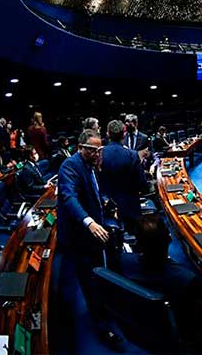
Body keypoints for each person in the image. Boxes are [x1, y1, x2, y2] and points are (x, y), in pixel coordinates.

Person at [56, 129, 123, 349]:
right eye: (92, 150)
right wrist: (89, 221)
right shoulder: (70, 166)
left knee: (100, 273)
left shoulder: (91, 164)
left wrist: (104, 204)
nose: (96, 154)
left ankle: (107, 308)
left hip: (93, 233)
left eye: (99, 150)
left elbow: (92, 191)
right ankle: (103, 328)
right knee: (90, 281)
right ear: (80, 148)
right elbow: (69, 197)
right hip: (79, 237)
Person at [119, 214, 202, 350]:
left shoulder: (124, 262)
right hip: (182, 335)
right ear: (169, 239)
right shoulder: (186, 279)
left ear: (137, 244)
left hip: (143, 328)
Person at [99, 120, 148, 234]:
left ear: (107, 134)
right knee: (133, 236)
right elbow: (141, 183)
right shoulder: (132, 155)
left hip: (107, 206)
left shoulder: (99, 154)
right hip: (130, 205)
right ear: (124, 134)